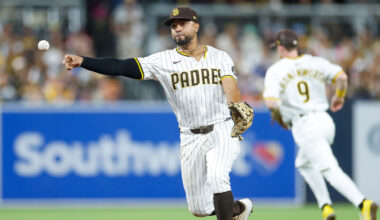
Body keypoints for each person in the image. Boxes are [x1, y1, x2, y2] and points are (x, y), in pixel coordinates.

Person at [62, 6, 253, 220]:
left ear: (196, 25)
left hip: (221, 128)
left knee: (218, 178)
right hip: (190, 137)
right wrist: (84, 61)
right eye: (174, 26)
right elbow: (122, 66)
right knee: (199, 209)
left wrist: (235, 105)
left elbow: (231, 87)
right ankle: (238, 209)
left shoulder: (219, 57)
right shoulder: (162, 61)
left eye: (183, 24)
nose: (177, 28)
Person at [263, 29, 378, 220]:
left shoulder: (276, 70)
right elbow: (342, 77)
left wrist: (279, 117)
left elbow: (272, 103)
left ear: (281, 48)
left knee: (330, 170)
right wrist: (339, 97)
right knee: (304, 163)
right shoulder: (315, 62)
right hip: (325, 121)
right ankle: (326, 208)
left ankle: (363, 203)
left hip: (305, 124)